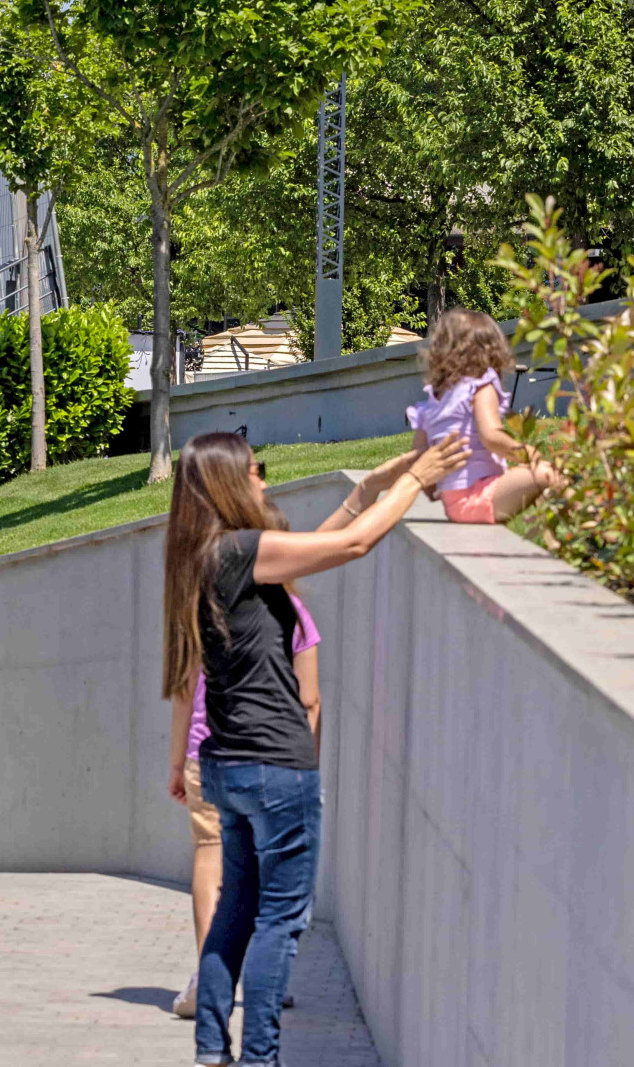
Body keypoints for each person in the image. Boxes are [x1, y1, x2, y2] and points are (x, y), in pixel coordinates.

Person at [164, 429, 465, 1067]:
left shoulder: (205, 556)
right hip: (275, 765)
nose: (263, 479)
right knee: (279, 920)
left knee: (236, 911)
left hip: (229, 763)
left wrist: (376, 483)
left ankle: (212, 1049)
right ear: (226, 483)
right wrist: (416, 483)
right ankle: (261, 1057)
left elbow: (325, 541)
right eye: (255, 471)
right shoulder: (240, 552)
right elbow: (352, 546)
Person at [171, 557, 321, 1017]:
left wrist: (176, 761)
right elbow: (309, 699)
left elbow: (183, 686)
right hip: (277, 758)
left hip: (209, 751)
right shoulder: (294, 613)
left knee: (211, 852)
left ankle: (209, 977)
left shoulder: (205, 607)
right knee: (271, 867)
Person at [406, 308, 566, 523]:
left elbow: (418, 455)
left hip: (453, 503)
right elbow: (491, 436)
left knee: (530, 477)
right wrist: (528, 453)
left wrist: (431, 488)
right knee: (545, 472)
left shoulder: (435, 400)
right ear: (492, 350)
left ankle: (558, 523)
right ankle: (589, 521)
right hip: (480, 496)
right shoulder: (480, 386)